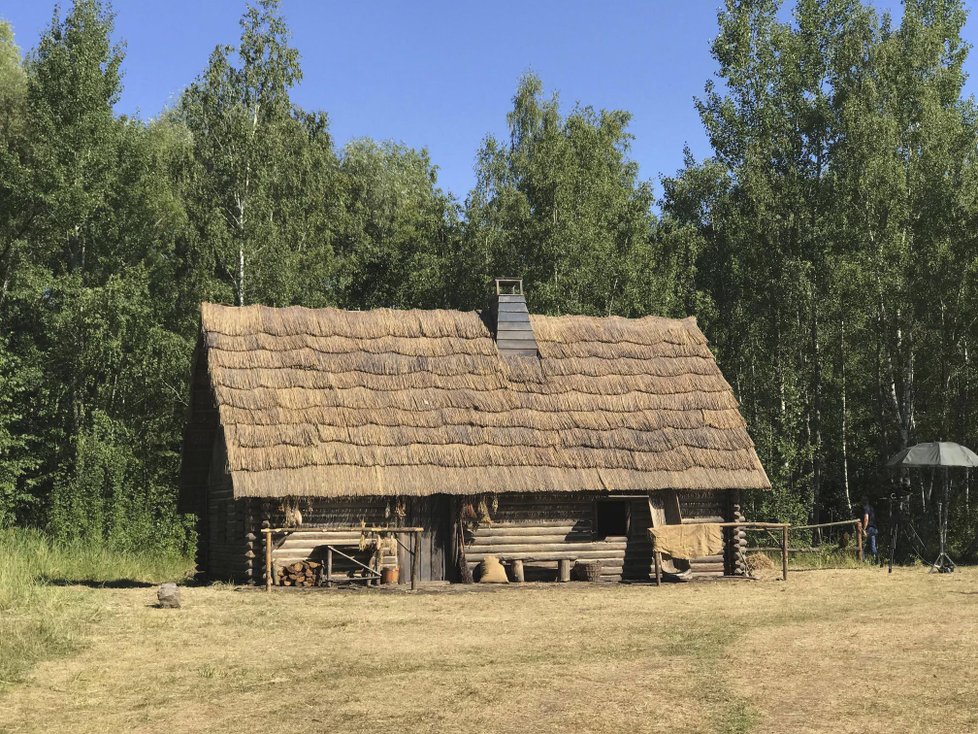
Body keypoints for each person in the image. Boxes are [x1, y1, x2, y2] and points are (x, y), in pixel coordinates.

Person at [861, 495, 878, 562]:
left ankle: (863, 560)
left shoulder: (865, 508)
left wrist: (864, 529)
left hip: (869, 529)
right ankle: (876, 560)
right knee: (872, 546)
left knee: (863, 545)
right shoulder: (871, 508)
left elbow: (866, 519)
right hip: (874, 529)